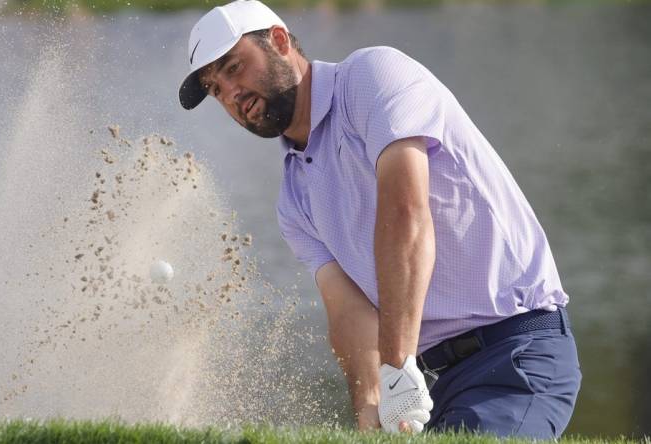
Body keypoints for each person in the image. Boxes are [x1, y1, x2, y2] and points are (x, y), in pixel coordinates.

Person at [177, 0, 581, 438]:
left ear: (278, 41)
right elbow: (349, 313)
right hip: (442, 383)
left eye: (235, 68)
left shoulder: (372, 77)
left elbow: (405, 213)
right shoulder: (294, 199)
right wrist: (371, 407)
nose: (232, 95)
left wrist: (395, 365)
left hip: (516, 353)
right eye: (216, 90)